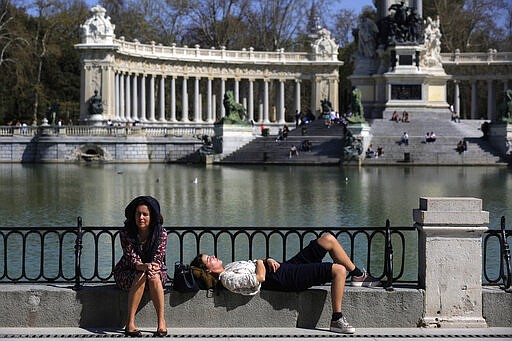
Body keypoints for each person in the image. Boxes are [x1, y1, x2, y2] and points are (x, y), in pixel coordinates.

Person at [190, 234, 381, 334]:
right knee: (338, 270)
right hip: (284, 279)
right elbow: (259, 279)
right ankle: (336, 319)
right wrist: (261, 261)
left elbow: (260, 266)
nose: (214, 256)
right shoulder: (227, 279)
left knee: (328, 240)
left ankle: (357, 276)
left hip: (284, 268)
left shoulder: (230, 266)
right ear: (208, 270)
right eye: (210, 259)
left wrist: (267, 259)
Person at [114, 196, 168, 337]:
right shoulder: (126, 233)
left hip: (154, 271)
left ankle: (161, 322)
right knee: (142, 274)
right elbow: (132, 259)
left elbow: (158, 257)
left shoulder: (161, 233)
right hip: (128, 272)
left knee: (154, 276)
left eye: (145, 214)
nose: (141, 217)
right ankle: (130, 323)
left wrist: (151, 267)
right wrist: (144, 266)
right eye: (138, 214)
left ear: (152, 216)